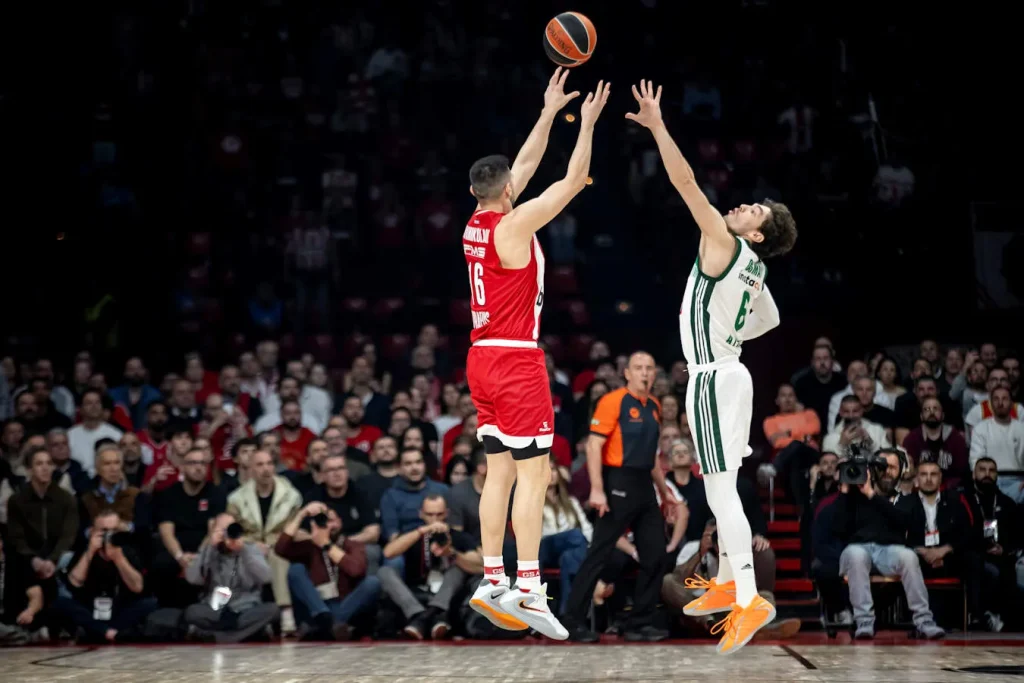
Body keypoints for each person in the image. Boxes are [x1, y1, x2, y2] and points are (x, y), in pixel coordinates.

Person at [625, 79, 798, 654]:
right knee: (720, 486)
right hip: (729, 372)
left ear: (756, 232)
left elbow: (685, 183)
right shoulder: (755, 266)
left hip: (714, 376)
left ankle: (748, 597)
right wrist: (727, 335)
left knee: (721, 490)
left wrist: (657, 127)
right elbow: (769, 319)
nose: (743, 205)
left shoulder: (723, 242)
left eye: (754, 210)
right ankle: (726, 580)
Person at [463, 68, 610, 641]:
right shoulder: (516, 223)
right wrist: (587, 124)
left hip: (480, 358)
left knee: (498, 472)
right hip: (516, 359)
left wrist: (549, 111)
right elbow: (571, 180)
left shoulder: (478, 220)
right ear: (507, 193)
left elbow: (522, 166)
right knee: (535, 474)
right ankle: (527, 585)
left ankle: (491, 579)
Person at [562, 352, 673, 642]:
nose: (644, 373)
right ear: (627, 373)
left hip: (644, 484)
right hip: (618, 481)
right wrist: (597, 489)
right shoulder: (613, 401)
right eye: (638, 368)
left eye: (649, 368)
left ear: (655, 373)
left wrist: (665, 493)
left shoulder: (654, 405)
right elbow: (594, 446)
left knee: (655, 554)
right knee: (599, 554)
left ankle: (638, 623)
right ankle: (572, 621)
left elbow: (652, 456)